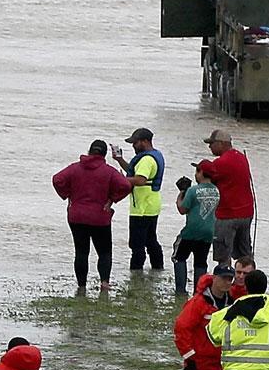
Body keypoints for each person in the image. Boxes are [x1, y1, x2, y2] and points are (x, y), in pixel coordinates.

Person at [51, 140, 132, 293]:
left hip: (77, 216)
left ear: (89, 151)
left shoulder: (75, 168)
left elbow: (57, 179)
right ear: (104, 155)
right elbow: (126, 186)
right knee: (104, 252)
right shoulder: (108, 171)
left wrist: (67, 194)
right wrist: (112, 200)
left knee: (81, 252)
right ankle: (105, 283)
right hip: (100, 217)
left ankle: (81, 286)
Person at [195, 127, 255, 265]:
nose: (209, 146)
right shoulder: (241, 157)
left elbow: (206, 176)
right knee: (245, 253)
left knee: (223, 253)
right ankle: (249, 280)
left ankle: (224, 280)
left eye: (211, 143)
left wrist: (200, 168)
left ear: (221, 143)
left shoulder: (221, 162)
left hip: (228, 215)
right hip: (246, 213)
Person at [121, 126, 166, 276]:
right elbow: (135, 171)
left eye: (135, 142)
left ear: (145, 141)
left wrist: (120, 180)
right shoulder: (155, 155)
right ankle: (158, 269)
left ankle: (136, 273)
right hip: (152, 205)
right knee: (151, 240)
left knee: (137, 244)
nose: (133, 146)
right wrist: (119, 160)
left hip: (142, 207)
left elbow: (140, 179)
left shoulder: (146, 160)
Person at [171, 172, 217, 295]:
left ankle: (180, 291)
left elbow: (182, 209)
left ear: (201, 173)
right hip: (209, 232)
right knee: (200, 261)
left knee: (178, 257)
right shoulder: (217, 191)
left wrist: (181, 193)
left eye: (197, 171)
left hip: (191, 231)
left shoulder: (193, 190)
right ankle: (199, 292)